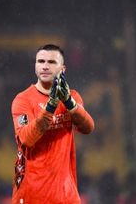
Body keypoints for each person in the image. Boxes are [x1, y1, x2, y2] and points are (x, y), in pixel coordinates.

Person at [11, 44, 95, 204]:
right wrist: (50, 107)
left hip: (65, 195)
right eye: (41, 61)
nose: (45, 66)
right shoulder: (22, 100)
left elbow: (88, 127)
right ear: (35, 67)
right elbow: (26, 139)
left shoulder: (72, 97)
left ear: (62, 69)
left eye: (51, 62)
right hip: (31, 193)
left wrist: (69, 103)